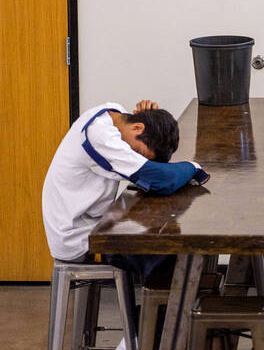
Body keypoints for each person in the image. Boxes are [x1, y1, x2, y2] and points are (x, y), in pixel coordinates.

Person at [42, 100, 209, 279]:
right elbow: (163, 180)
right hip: (77, 236)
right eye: (138, 152)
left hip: (97, 222)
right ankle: (163, 305)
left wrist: (151, 119)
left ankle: (166, 303)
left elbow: (153, 168)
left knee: (170, 239)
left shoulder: (114, 114)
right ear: (137, 128)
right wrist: (194, 168)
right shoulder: (100, 136)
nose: (133, 157)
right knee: (165, 250)